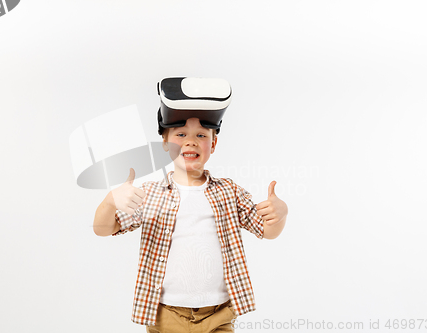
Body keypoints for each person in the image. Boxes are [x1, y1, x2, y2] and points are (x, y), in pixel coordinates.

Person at [93, 77, 288, 332]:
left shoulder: (229, 191)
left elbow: (267, 231)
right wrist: (110, 201)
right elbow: (103, 228)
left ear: (213, 144)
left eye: (201, 135)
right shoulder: (150, 194)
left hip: (218, 314)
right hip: (165, 315)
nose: (191, 141)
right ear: (165, 142)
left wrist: (280, 213)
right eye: (181, 134)